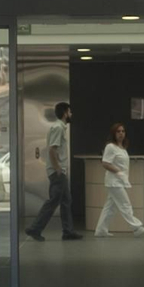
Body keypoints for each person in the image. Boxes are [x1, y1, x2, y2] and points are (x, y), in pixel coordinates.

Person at [26, 101, 83, 241]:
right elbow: (52, 149)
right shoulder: (58, 128)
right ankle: (35, 228)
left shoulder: (60, 127)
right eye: (69, 111)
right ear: (65, 113)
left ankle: (68, 231)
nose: (71, 114)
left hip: (59, 171)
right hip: (58, 172)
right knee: (53, 201)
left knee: (65, 201)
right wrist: (58, 168)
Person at [96, 123, 144, 238]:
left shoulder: (122, 148)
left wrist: (122, 176)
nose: (121, 133)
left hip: (119, 181)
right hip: (114, 182)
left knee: (110, 207)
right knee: (125, 204)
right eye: (118, 131)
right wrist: (118, 172)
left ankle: (100, 230)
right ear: (113, 133)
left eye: (123, 131)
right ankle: (136, 227)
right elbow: (105, 163)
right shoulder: (110, 146)